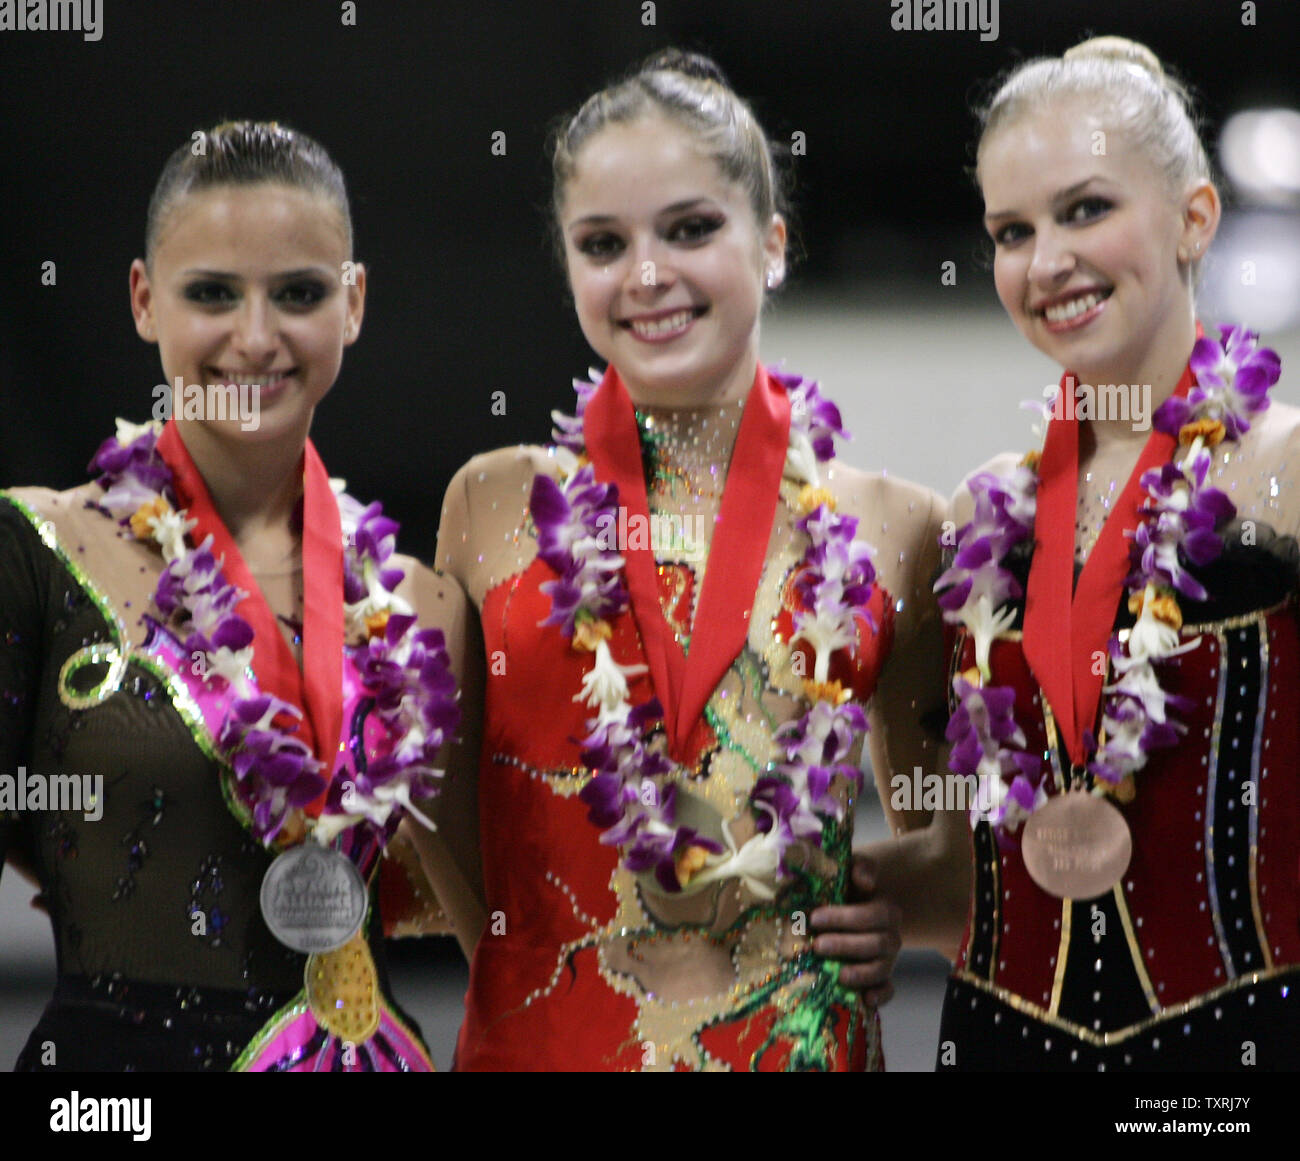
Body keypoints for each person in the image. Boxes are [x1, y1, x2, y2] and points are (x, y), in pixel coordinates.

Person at [406, 50, 952, 1071]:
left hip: (795, 1047)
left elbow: (948, 853)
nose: (647, 273)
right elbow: (452, 837)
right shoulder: (492, 506)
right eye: (603, 243)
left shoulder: (896, 529)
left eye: (691, 228)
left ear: (774, 242)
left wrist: (889, 912)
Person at [0, 121, 472, 1071]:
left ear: (353, 303)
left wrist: (860, 881)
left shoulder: (420, 605)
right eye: (212, 293)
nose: (255, 339)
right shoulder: (39, 551)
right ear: (144, 299)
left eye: (298, 294)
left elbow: (510, 901)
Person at [930, 36, 1300, 1070]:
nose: (1046, 262)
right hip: (997, 1038)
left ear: (1195, 217)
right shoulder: (976, 519)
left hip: (1236, 1047)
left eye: (1085, 209)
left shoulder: (1287, 473)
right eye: (1012, 230)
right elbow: (952, 858)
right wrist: (863, 904)